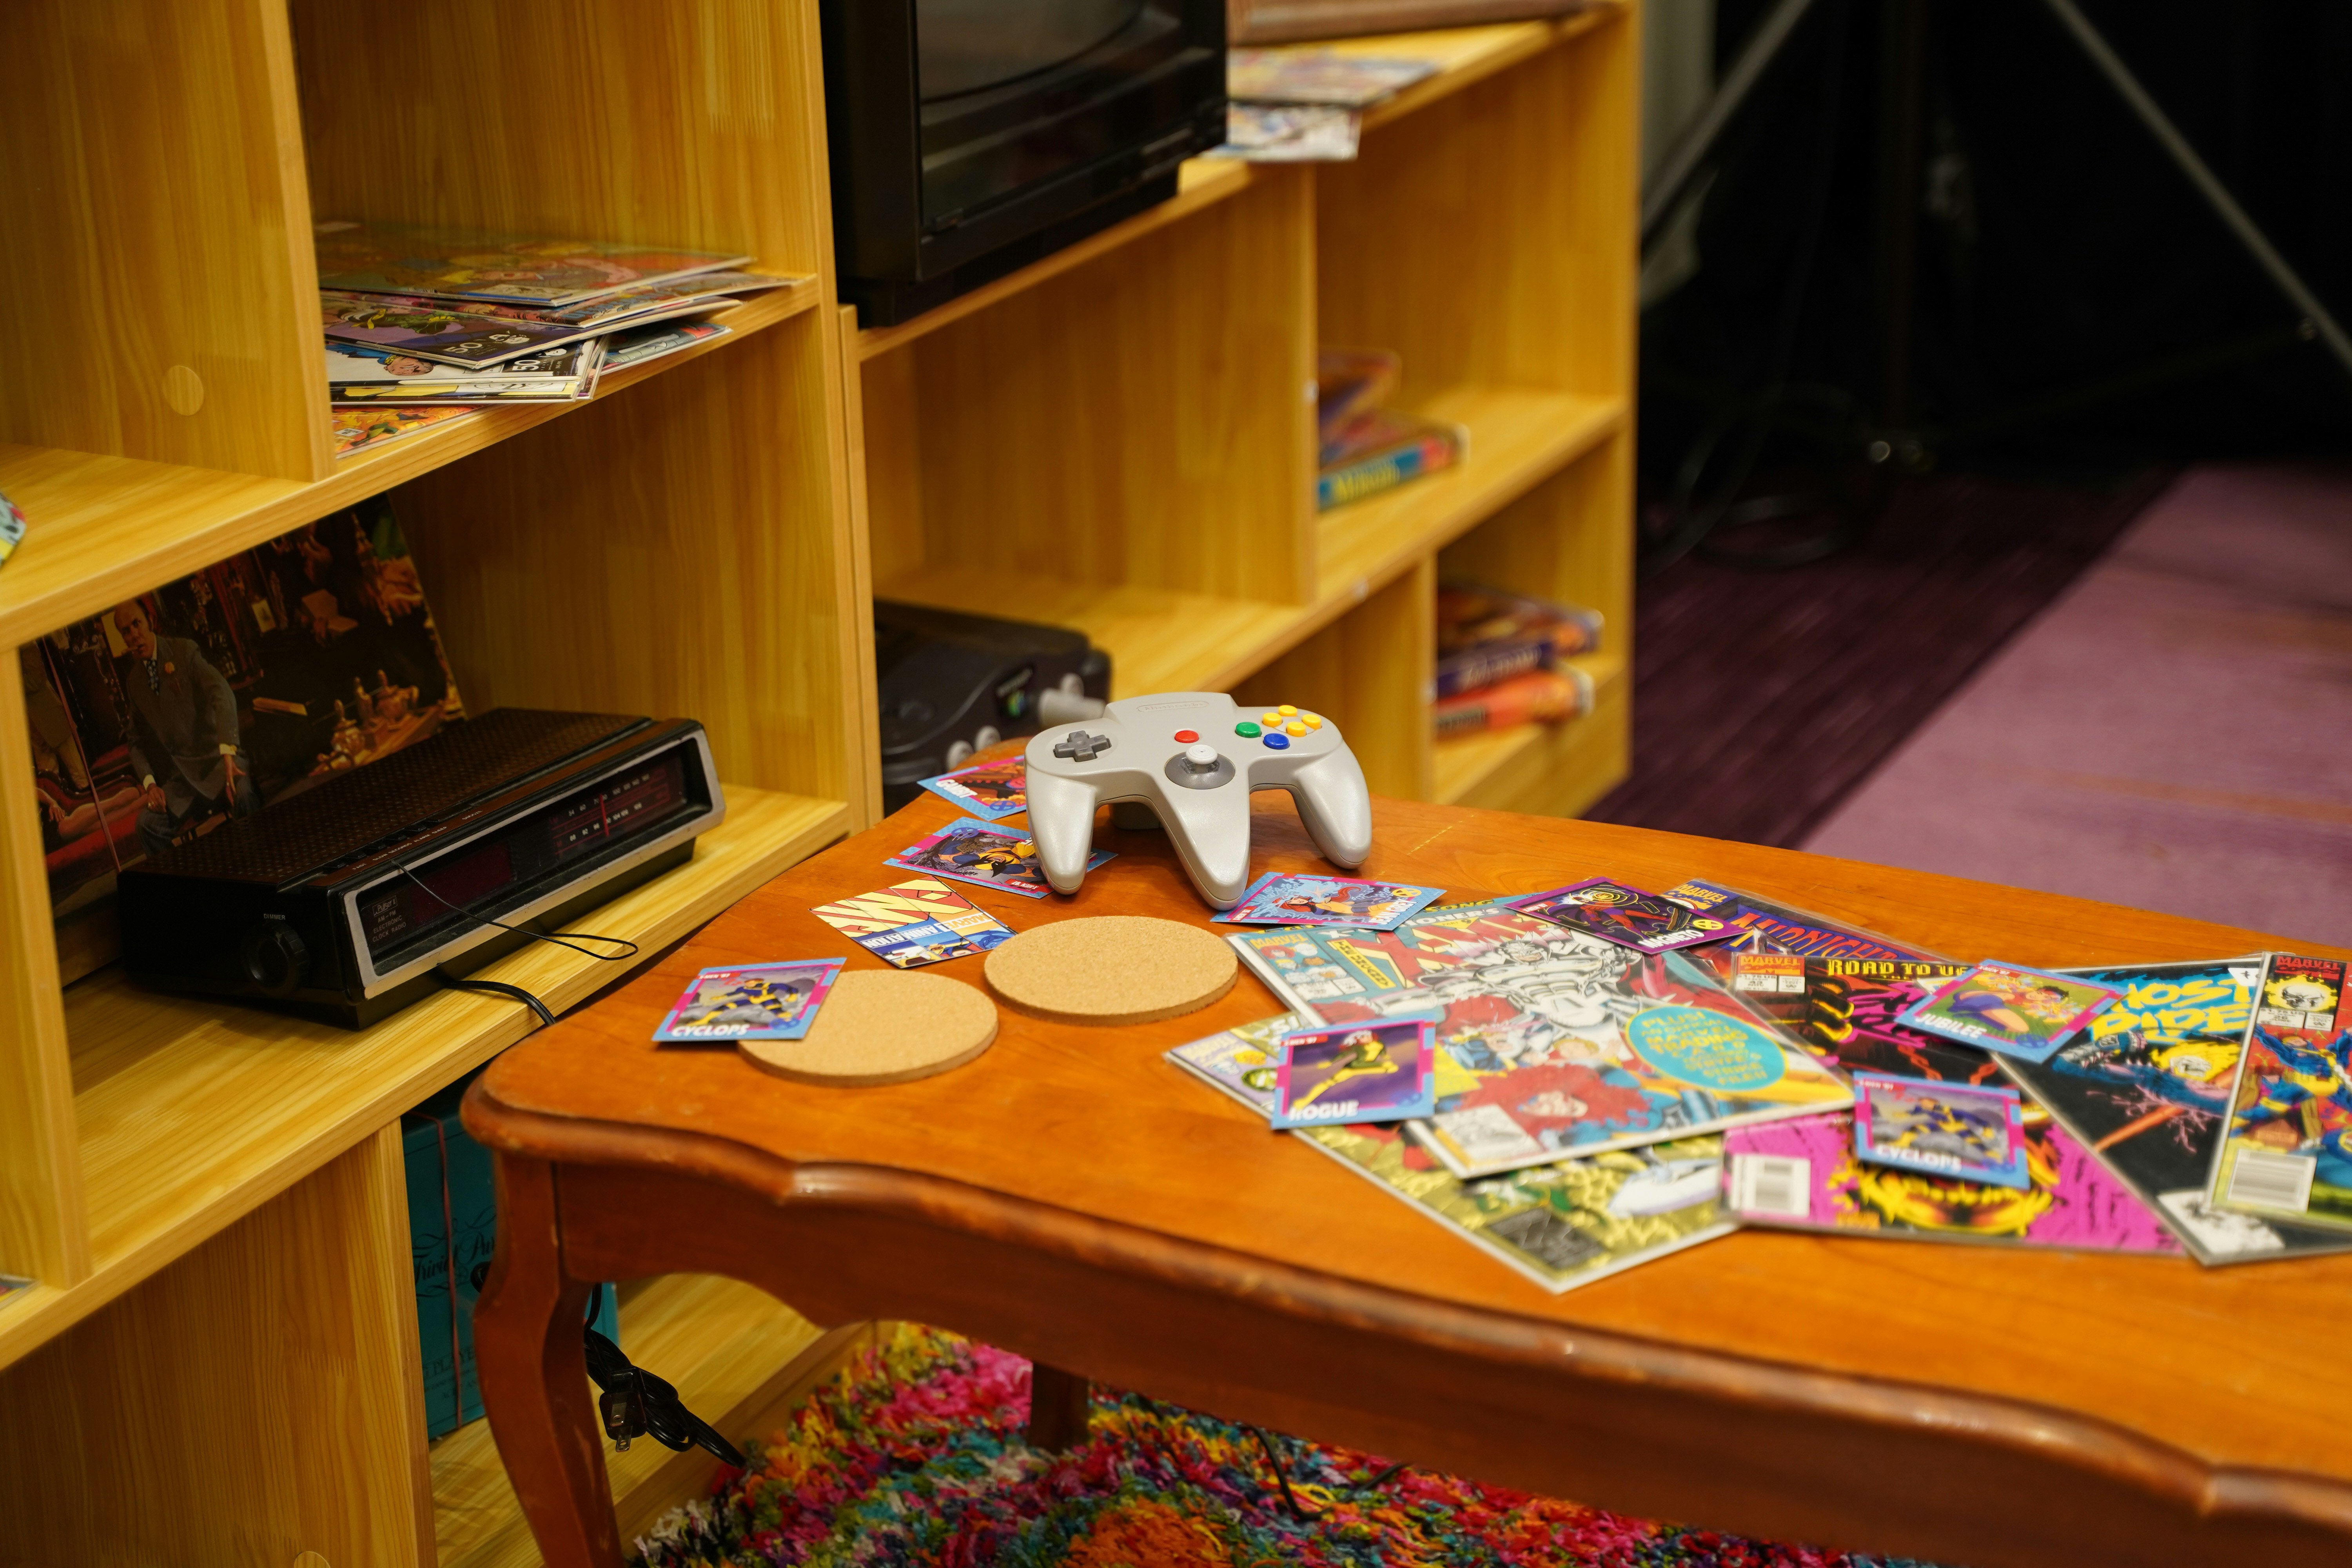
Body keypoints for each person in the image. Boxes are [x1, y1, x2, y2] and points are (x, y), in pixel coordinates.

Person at [113, 597, 256, 857]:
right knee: (146, 825)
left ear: (150, 621)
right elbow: (135, 742)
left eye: (137, 624)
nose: (134, 635)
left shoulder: (184, 651)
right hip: (183, 782)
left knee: (245, 796)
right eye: (126, 631)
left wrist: (228, 751)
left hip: (220, 763)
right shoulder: (134, 682)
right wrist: (150, 784)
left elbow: (222, 692)